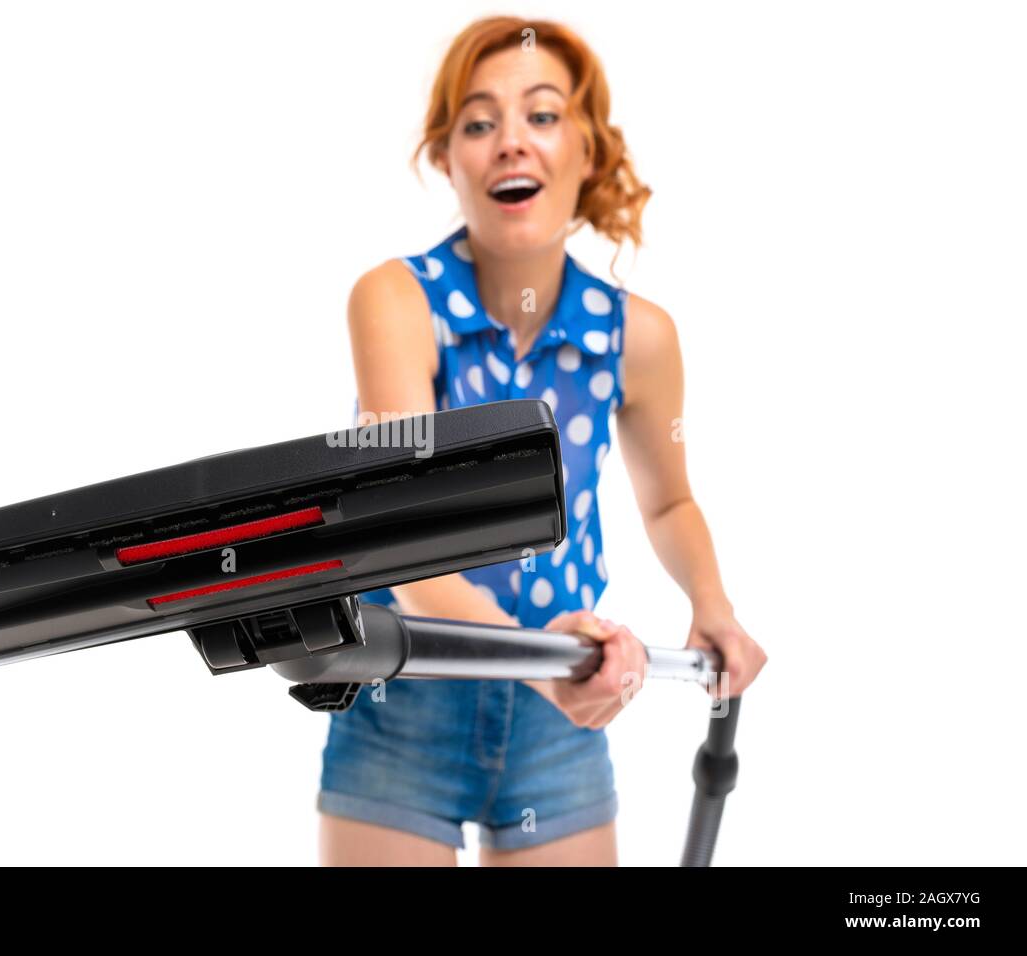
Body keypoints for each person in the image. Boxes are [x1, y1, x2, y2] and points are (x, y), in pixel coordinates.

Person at [317, 15, 767, 866]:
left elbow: (669, 500)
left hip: (560, 713)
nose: (509, 143)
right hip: (405, 691)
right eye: (479, 123)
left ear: (588, 152)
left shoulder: (638, 337)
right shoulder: (397, 303)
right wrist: (544, 665)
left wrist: (714, 608)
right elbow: (404, 543)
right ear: (448, 160)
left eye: (543, 116)